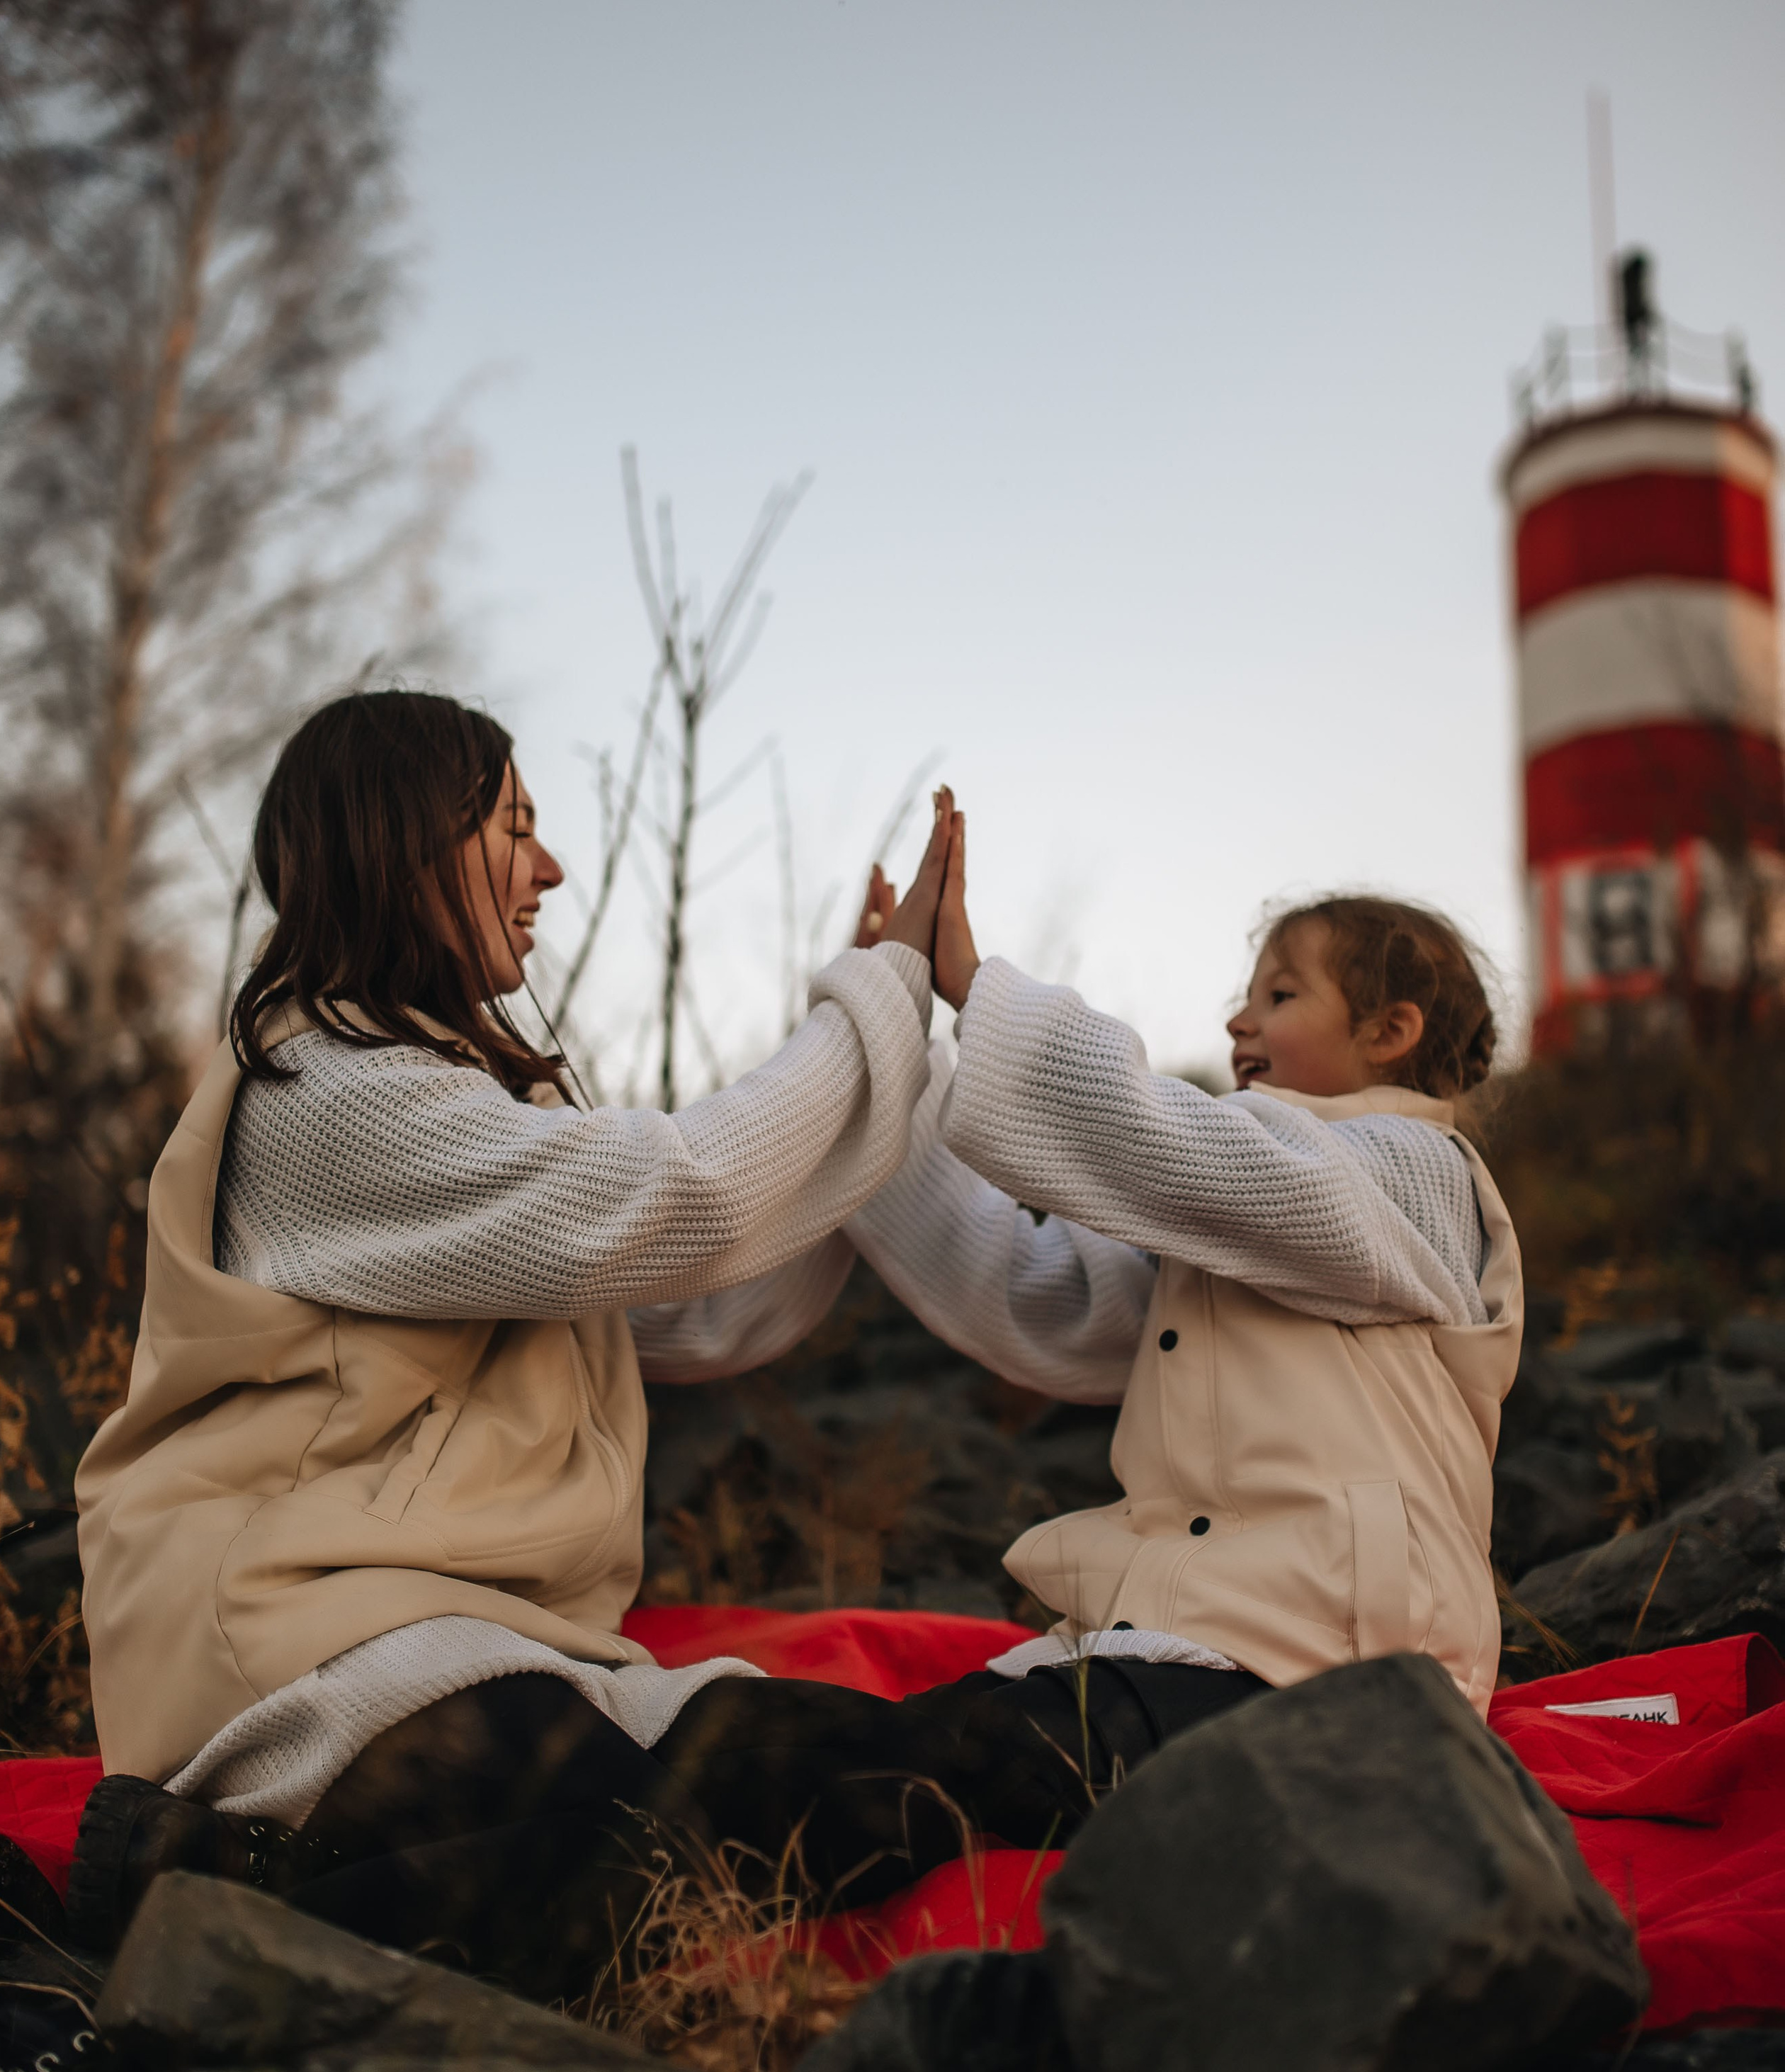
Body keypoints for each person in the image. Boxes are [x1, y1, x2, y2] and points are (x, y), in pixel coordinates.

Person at [68, 692, 1213, 1994]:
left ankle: (1141, 1730)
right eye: (514, 827)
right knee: (741, 1807)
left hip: (461, 1651)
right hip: (306, 1679)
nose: (549, 869)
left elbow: (704, 1302)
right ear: (407, 845)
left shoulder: (438, 1084)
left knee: (805, 1769)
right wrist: (884, 996)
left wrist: (879, 1095)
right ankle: (202, 1886)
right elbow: (686, 1201)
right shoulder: (327, 1090)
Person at [849, 817, 1523, 1716]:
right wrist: (889, 1055)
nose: (1237, 1019)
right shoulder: (1229, 1225)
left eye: (1280, 996)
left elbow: (1200, 1157)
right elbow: (1031, 1288)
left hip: (1357, 1657)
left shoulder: (1415, 1173)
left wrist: (982, 995)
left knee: (937, 1755)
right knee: (917, 1742)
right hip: (1211, 1639)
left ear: (1390, 1030)